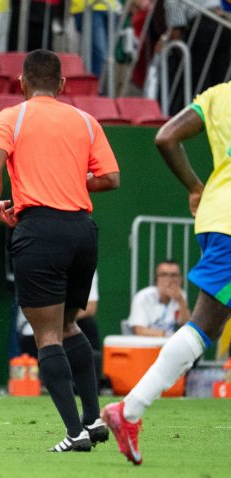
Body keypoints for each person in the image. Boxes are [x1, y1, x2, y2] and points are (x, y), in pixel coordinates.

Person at [0, 50, 120, 451]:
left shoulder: (11, 117)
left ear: (21, 83)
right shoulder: (84, 120)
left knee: (46, 336)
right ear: (62, 85)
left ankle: (75, 433)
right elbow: (110, 177)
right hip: (81, 231)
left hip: (38, 229)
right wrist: (76, 182)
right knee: (69, 325)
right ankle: (93, 421)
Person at [103, 80, 231, 466]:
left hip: (215, 215)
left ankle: (129, 411)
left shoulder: (217, 95)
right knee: (204, 326)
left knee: (208, 326)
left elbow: (166, 137)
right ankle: (129, 410)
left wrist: (195, 186)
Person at [127, 260, 190, 337]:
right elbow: (139, 331)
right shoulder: (143, 297)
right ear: (157, 279)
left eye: (174, 275)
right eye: (164, 275)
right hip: (146, 346)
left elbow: (187, 326)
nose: (169, 280)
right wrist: (166, 335)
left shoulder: (181, 296)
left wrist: (180, 300)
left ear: (180, 279)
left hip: (169, 345)